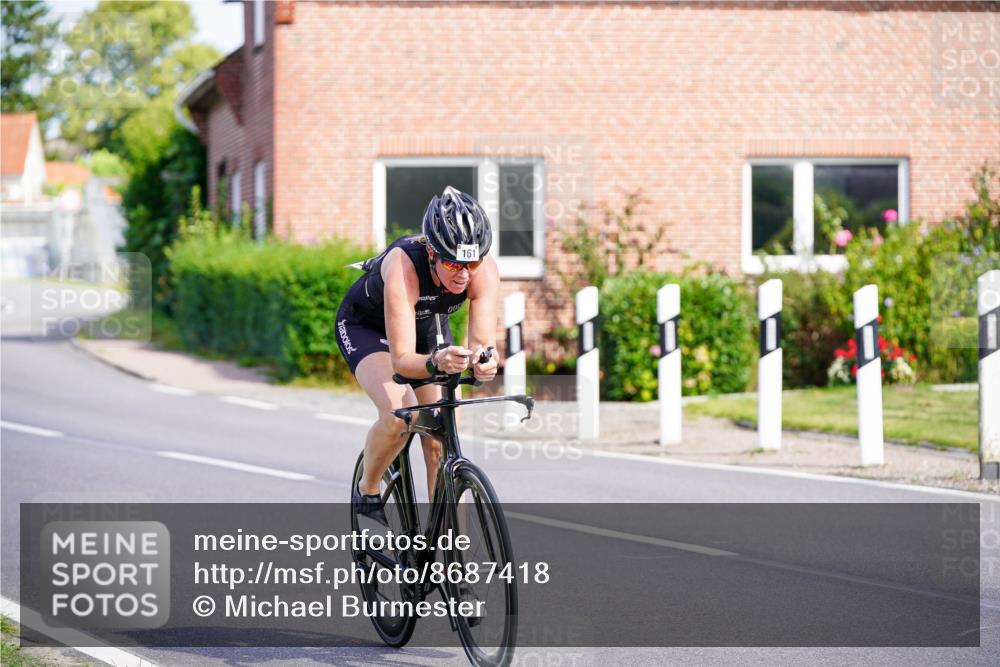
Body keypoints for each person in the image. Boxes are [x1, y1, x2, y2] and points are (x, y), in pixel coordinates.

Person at [336, 186, 501, 523]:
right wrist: (435, 362)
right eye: (454, 264)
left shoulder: (480, 269)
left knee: (439, 438)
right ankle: (367, 489)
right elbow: (402, 361)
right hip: (368, 329)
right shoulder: (404, 265)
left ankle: (449, 559)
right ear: (432, 255)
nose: (465, 274)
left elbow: (482, 343)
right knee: (402, 415)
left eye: (472, 262)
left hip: (426, 328)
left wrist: (484, 362)